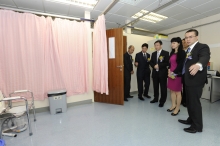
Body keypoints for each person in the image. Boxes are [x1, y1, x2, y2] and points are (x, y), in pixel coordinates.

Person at [178, 29, 210, 133]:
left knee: (194, 103)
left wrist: (198, 65)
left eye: (190, 37)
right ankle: (190, 119)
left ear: (196, 37)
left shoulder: (202, 47)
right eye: (186, 37)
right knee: (189, 102)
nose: (187, 39)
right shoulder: (189, 50)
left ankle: (197, 126)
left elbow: (205, 57)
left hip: (195, 81)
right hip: (188, 80)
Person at [167, 37, 186, 116]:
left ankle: (177, 108)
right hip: (170, 74)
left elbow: (181, 65)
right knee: (171, 91)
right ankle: (173, 105)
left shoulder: (182, 52)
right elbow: (170, 64)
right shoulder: (172, 53)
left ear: (179, 43)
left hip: (177, 74)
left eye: (174, 43)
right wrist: (169, 71)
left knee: (177, 92)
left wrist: (173, 72)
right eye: (172, 43)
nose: (172, 44)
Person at [150, 40, 169, 107]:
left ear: (161, 45)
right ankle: (155, 98)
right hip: (155, 73)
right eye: (155, 45)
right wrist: (153, 66)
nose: (156, 46)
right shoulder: (153, 53)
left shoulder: (166, 53)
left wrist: (159, 65)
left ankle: (162, 101)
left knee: (163, 88)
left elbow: (167, 63)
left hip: (162, 73)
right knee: (155, 87)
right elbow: (151, 62)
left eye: (157, 45)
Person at [181, 38, 189, 107]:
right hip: (180, 72)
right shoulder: (180, 51)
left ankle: (185, 101)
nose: (183, 44)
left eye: (185, 42)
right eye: (182, 43)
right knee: (179, 87)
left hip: (186, 72)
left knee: (185, 87)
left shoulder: (189, 51)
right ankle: (180, 99)